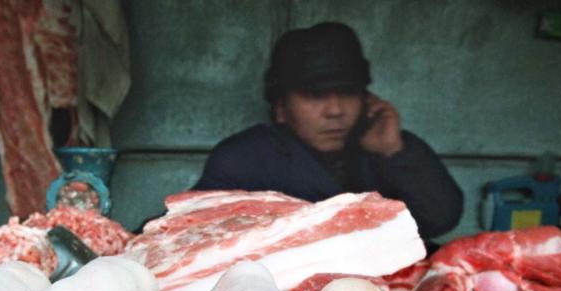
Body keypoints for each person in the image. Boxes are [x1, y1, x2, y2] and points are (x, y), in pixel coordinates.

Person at [193, 22, 463, 242]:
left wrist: (394, 152)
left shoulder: (387, 145)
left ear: (367, 98)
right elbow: (182, 231)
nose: (335, 110)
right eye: (315, 94)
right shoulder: (245, 156)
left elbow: (441, 219)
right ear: (281, 107)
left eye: (347, 92)